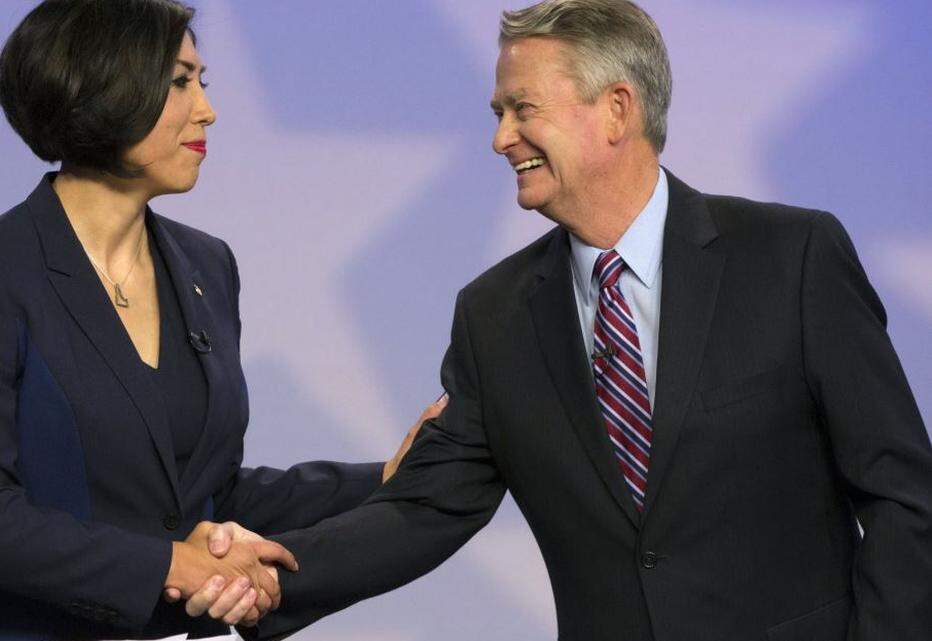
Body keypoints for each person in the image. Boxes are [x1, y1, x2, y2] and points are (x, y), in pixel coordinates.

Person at [188, 1, 932, 639]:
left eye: (523, 109)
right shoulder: (495, 315)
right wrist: (274, 574)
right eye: (498, 113)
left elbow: (903, 495)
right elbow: (424, 507)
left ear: (616, 109)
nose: (500, 137)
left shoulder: (791, 257)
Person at [0, 1, 439, 639]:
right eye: (180, 80)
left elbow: (206, 496)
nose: (206, 109)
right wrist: (170, 564)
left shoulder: (207, 264)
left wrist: (381, 480)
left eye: (201, 82)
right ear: (99, 86)